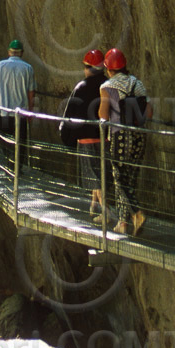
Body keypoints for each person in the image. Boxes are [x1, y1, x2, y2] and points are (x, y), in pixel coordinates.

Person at [98, 47, 151, 237]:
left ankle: (136, 213)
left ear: (108, 68)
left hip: (120, 135)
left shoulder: (107, 87)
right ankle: (122, 222)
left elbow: (103, 114)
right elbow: (149, 112)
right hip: (138, 135)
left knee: (119, 177)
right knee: (131, 178)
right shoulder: (138, 84)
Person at [61, 49, 108, 223]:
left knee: (93, 175)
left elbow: (70, 113)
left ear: (88, 68)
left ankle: (105, 212)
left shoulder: (81, 87)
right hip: (106, 137)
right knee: (100, 173)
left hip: (86, 138)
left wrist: (67, 135)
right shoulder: (108, 85)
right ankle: (94, 205)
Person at [0, 38, 36, 173]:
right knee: (20, 142)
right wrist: (30, 111)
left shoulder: (0, 66)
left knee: (4, 139)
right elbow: (31, 93)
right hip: (20, 114)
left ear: (9, 52)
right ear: (21, 52)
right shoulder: (28, 68)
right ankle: (17, 168)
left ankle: (8, 161)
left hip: (4, 112)